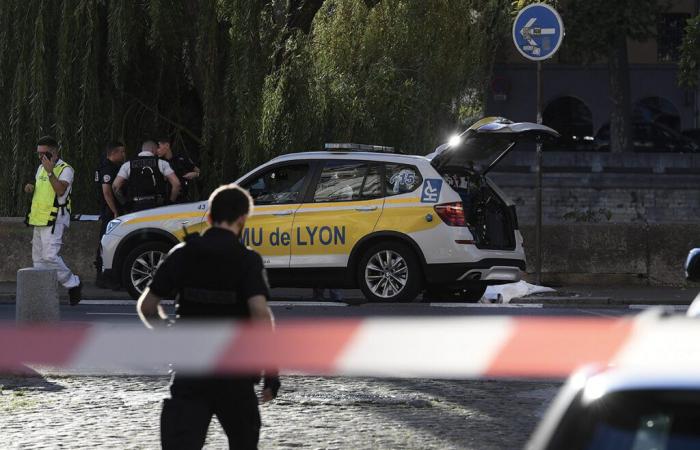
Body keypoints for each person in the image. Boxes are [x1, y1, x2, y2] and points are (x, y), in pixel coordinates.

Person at [137, 183, 280, 449]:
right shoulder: (247, 260)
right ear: (242, 220)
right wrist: (271, 371)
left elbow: (147, 306)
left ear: (210, 217)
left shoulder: (181, 254)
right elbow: (260, 315)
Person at [24, 136, 82, 305]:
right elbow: (39, 189)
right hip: (38, 217)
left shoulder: (66, 169)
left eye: (45, 154)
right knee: (38, 259)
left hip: (55, 217)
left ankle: (73, 283)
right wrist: (30, 187)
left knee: (50, 256)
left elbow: (60, 191)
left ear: (55, 153)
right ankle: (43, 294)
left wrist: (50, 172)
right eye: (39, 154)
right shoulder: (40, 168)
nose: (41, 157)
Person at [112, 140, 180, 213]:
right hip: (158, 206)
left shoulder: (128, 164)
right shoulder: (162, 163)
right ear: (153, 149)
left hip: (136, 207)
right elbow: (176, 184)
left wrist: (125, 204)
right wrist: (170, 202)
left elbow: (115, 186)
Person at [93, 141, 126, 288]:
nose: (124, 155)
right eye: (122, 152)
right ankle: (104, 279)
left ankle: (106, 277)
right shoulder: (108, 168)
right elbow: (107, 192)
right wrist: (115, 211)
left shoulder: (103, 165)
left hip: (107, 210)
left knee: (106, 243)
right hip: (109, 212)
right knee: (108, 244)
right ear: (114, 153)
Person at [156, 136, 200, 203]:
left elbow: (199, 171)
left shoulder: (181, 158)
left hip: (183, 199)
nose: (157, 151)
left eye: (158, 147)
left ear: (167, 145)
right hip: (165, 201)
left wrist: (196, 174)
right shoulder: (158, 162)